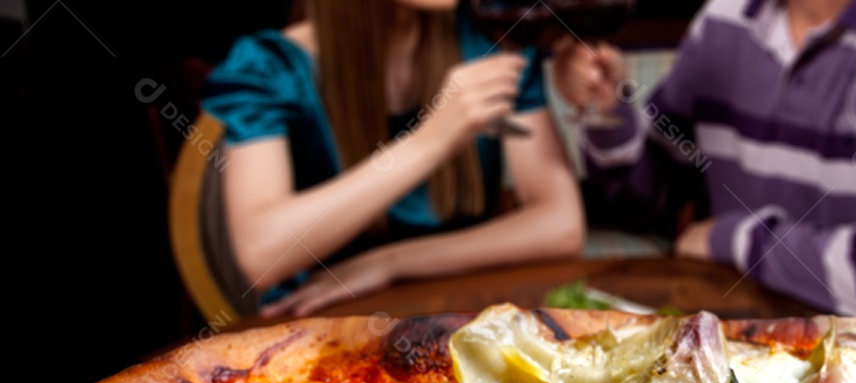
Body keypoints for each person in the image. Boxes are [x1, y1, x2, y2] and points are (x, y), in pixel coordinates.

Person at [552, 0, 856, 323]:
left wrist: (733, 239)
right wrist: (608, 114)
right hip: (760, 319)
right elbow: (652, 203)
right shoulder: (724, 19)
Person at [201, 0, 584, 318]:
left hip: (462, 316)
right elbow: (263, 250)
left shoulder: (490, 35)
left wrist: (391, 263)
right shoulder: (270, 67)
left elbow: (560, 224)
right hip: (328, 332)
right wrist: (430, 140)